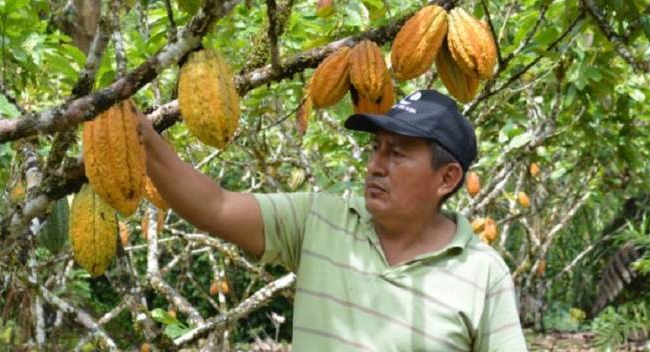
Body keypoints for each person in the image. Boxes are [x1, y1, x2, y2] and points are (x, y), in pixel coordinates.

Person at [137, 89, 528, 351]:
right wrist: (139, 134)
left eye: (397, 153)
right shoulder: (318, 221)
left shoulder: (482, 273)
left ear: (447, 178)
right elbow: (215, 206)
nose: (376, 166)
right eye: (376, 149)